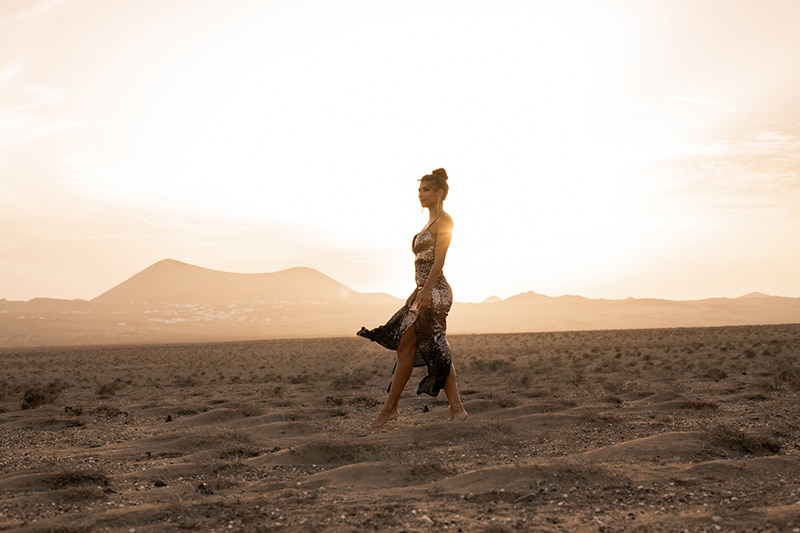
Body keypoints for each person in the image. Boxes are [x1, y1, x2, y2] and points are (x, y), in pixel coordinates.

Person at [357, 168, 469, 428]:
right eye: (419, 190)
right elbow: (421, 264)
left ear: (439, 193)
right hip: (424, 290)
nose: (421, 194)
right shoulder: (427, 224)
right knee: (412, 347)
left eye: (426, 190)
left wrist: (427, 291)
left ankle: (392, 410)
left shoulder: (445, 221)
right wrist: (415, 292)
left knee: (428, 348)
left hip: (436, 291)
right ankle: (451, 410)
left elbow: (439, 261)